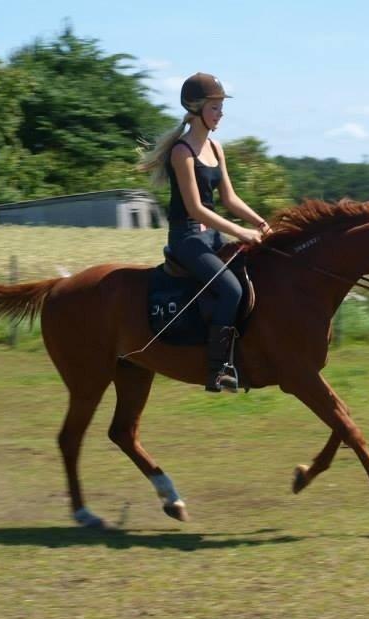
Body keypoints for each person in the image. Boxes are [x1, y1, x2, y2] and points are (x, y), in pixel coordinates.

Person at [138, 72, 270, 392]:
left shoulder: (215, 147)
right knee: (230, 291)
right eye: (215, 107)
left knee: (254, 277)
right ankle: (218, 370)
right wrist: (241, 232)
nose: (220, 113)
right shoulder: (181, 153)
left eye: (221, 106)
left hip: (211, 237)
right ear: (196, 108)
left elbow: (229, 198)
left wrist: (260, 224)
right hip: (187, 239)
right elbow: (196, 209)